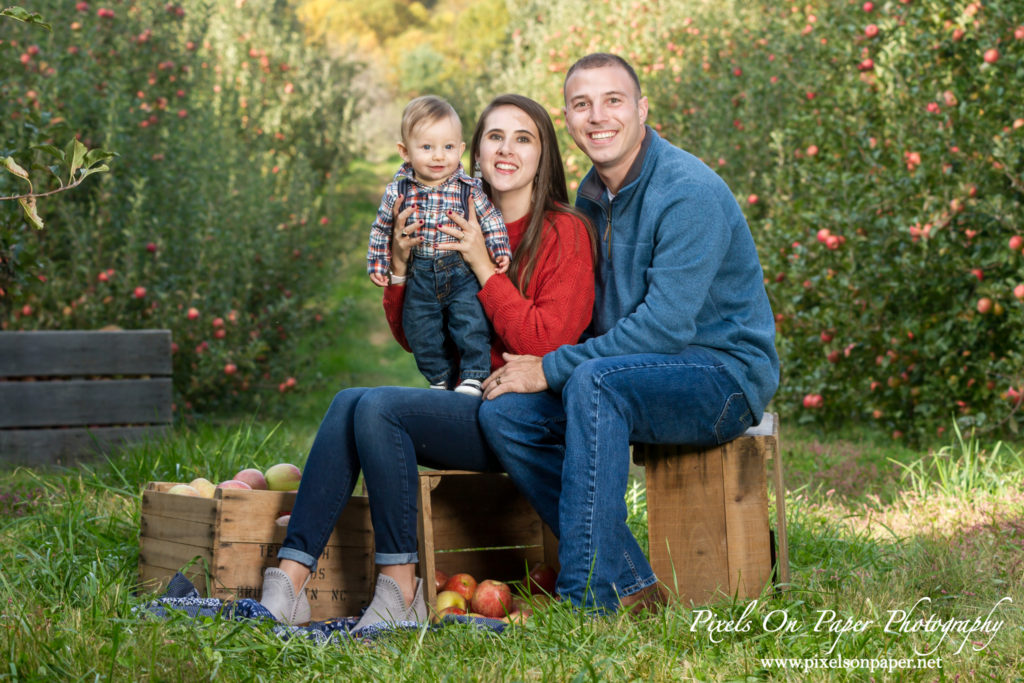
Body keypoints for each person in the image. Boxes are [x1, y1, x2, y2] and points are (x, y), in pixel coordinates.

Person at [258, 94, 597, 630]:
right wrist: (397, 267)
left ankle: (400, 590)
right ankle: (289, 580)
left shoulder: (564, 233)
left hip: (523, 417)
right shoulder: (445, 208)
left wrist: (485, 268)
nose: (506, 150)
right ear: (476, 151)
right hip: (468, 401)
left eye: (523, 138)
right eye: (495, 137)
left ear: (544, 154)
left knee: (378, 409)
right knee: (350, 402)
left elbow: (546, 340)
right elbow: (417, 338)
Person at [478, 53, 780, 613]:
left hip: (722, 378)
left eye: (613, 100)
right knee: (505, 414)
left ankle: (586, 604)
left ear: (641, 109)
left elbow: (664, 328)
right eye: (581, 104)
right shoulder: (590, 199)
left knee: (592, 382)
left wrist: (549, 368)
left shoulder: (688, 191)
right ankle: (634, 584)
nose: (598, 116)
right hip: (626, 374)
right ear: (567, 120)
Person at [367, 95, 512, 397]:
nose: (438, 156)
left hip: (460, 272)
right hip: (420, 273)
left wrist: (500, 251)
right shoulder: (398, 191)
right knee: (420, 328)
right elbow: (382, 228)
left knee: (471, 322)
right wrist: (380, 264)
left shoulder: (468, 188)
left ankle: (472, 376)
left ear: (460, 150)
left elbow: (491, 220)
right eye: (426, 147)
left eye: (447, 147)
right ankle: (439, 377)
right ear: (405, 152)